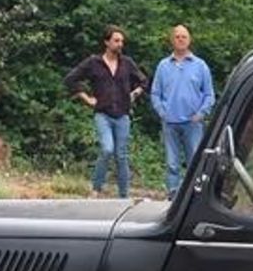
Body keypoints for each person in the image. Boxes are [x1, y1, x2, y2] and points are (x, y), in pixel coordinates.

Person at [64, 27, 149, 197]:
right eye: (116, 41)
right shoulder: (93, 63)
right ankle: (96, 188)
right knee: (107, 149)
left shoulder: (127, 63)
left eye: (122, 41)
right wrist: (86, 98)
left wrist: (135, 93)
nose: (120, 44)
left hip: (123, 114)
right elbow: (70, 79)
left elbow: (144, 81)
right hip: (103, 113)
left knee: (121, 155)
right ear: (106, 42)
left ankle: (124, 195)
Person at [149, 23, 216, 194]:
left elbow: (209, 95)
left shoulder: (200, 66)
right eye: (177, 36)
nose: (180, 39)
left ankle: (194, 195)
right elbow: (155, 93)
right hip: (169, 123)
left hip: (193, 123)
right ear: (172, 40)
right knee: (172, 162)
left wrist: (201, 114)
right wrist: (162, 112)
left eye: (184, 36)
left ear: (189, 40)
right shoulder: (163, 66)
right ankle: (173, 194)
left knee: (195, 161)